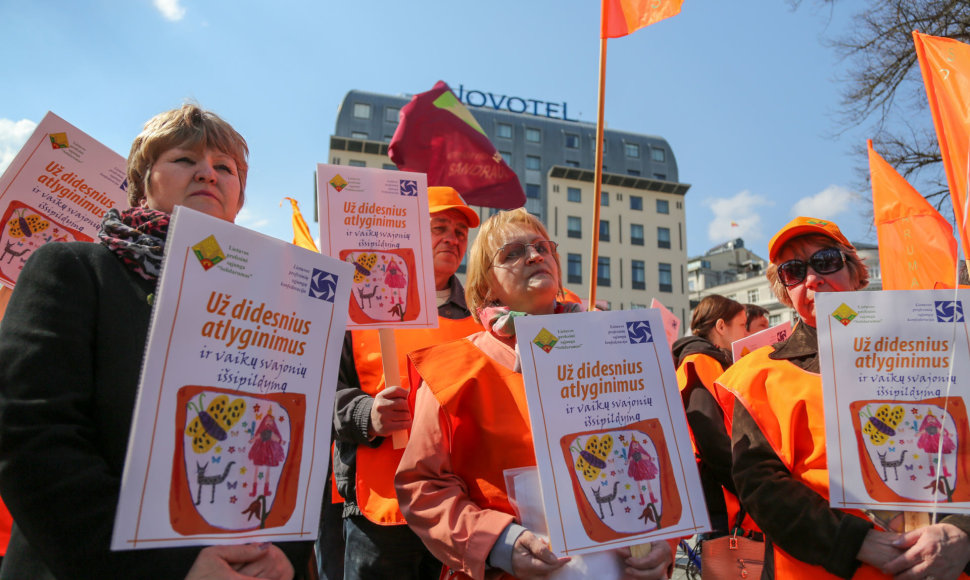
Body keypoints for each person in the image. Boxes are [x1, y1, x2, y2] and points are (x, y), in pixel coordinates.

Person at [0, 104, 309, 580]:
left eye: (224, 167)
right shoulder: (75, 270)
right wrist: (172, 567)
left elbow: (296, 450)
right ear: (144, 179)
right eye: (185, 160)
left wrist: (283, 554)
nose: (208, 172)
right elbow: (32, 436)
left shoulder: (274, 309)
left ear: (239, 197)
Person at [395, 208, 674, 580]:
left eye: (543, 247)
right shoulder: (454, 371)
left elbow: (664, 462)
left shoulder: (619, 356)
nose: (534, 256)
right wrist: (497, 543)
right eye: (512, 253)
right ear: (486, 286)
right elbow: (422, 486)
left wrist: (665, 541)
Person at [720, 216, 970, 579]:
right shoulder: (757, 375)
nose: (812, 279)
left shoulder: (938, 349)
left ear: (856, 273)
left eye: (825, 261)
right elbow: (761, 485)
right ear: (784, 289)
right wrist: (856, 542)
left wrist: (961, 532)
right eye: (793, 271)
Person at [331, 186, 483, 579]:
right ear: (410, 232)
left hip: (457, 512)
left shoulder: (481, 322)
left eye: (460, 232)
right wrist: (369, 415)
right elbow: (321, 393)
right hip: (379, 508)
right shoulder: (357, 305)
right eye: (439, 227)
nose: (452, 238)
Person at [670, 295, 747, 535]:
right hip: (722, 499)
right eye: (743, 325)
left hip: (724, 495)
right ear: (721, 326)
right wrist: (751, 485)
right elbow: (713, 441)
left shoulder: (710, 361)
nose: (746, 334)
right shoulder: (699, 362)